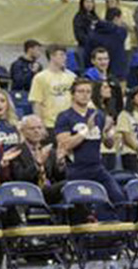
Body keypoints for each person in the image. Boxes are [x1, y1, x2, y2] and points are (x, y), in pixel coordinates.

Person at [55, 79, 125, 220]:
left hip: (97, 167)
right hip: (76, 169)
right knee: (82, 208)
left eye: (88, 92)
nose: (85, 95)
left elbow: (109, 145)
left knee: (119, 197)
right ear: (72, 94)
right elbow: (65, 145)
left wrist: (108, 134)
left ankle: (115, 232)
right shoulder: (65, 117)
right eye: (81, 91)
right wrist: (86, 130)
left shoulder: (98, 115)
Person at [10, 115, 67, 206]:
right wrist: (37, 164)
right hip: (29, 191)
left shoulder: (50, 151)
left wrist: (60, 163)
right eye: (32, 129)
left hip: (49, 190)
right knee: (66, 185)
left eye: (39, 128)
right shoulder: (16, 152)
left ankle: (86, 218)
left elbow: (59, 177)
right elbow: (20, 177)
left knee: (72, 186)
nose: (36, 131)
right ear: (23, 131)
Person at [29, 45, 76, 134]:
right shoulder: (40, 77)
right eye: (61, 55)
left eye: (65, 55)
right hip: (50, 124)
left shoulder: (72, 77)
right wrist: (40, 125)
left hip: (69, 123)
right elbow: (37, 103)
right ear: (52, 56)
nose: (65, 58)